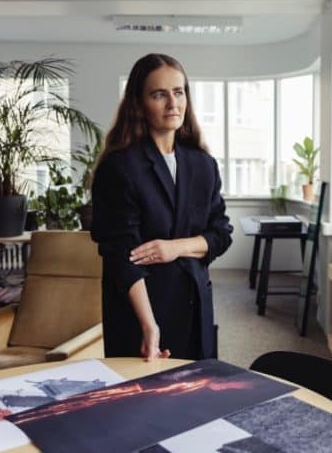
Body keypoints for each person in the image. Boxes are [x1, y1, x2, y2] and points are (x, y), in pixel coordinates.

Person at [91, 53, 233, 361]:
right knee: (140, 405)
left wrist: (175, 247)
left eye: (178, 92)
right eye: (159, 94)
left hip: (196, 307)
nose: (173, 103)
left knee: (198, 401)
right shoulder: (119, 167)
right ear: (138, 103)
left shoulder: (203, 164)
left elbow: (221, 235)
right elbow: (122, 257)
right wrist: (149, 327)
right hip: (142, 314)